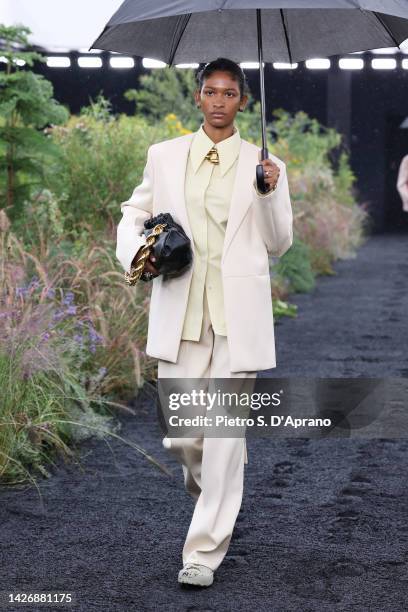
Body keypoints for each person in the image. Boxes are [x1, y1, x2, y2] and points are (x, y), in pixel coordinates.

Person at [115, 57, 293, 587]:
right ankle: (217, 491)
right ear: (198, 98)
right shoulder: (164, 157)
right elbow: (134, 213)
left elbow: (279, 242)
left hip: (238, 319)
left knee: (223, 435)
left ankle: (203, 552)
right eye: (211, 92)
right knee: (186, 438)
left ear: (243, 101)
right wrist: (139, 253)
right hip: (182, 310)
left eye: (230, 93)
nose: (219, 101)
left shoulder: (266, 166)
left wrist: (266, 191)